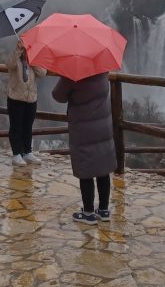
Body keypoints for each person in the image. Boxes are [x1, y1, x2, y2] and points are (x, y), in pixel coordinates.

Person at [52, 72, 115, 225]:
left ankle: (88, 213)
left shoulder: (73, 73)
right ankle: (104, 210)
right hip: (103, 124)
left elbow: (58, 95)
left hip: (83, 126)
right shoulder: (103, 70)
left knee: (85, 166)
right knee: (103, 167)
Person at [7, 38, 47, 166]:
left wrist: (32, 59)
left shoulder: (34, 60)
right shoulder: (15, 57)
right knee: (16, 126)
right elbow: (9, 64)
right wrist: (18, 51)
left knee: (28, 126)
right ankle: (16, 153)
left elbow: (42, 72)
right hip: (16, 97)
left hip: (31, 98)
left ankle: (27, 152)